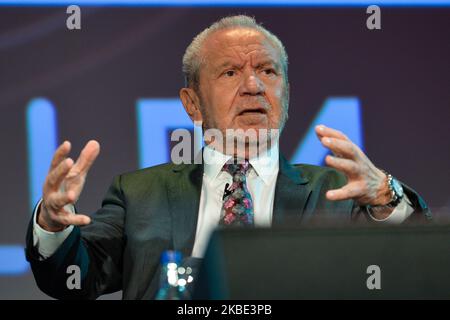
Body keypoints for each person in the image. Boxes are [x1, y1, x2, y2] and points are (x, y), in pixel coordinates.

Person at [25, 15, 431, 300]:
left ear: (285, 95)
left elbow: (422, 270)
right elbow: (73, 281)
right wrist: (52, 224)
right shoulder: (138, 192)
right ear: (193, 104)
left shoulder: (336, 192)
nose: (253, 85)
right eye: (231, 72)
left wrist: (384, 194)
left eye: (268, 72)